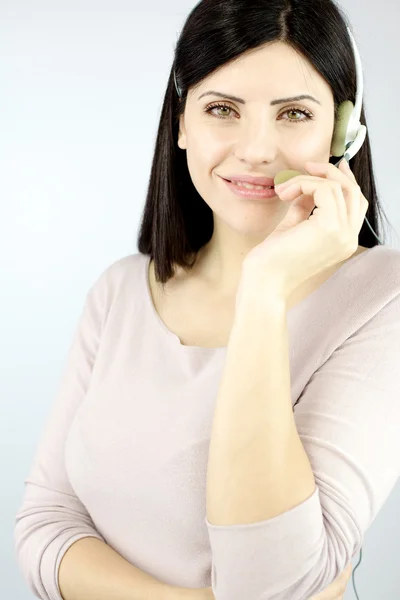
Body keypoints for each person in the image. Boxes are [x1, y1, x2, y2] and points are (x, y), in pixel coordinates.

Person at [15, 1, 400, 600]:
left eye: (294, 113)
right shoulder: (120, 290)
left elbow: (273, 583)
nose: (255, 149)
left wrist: (266, 292)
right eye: (222, 109)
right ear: (182, 122)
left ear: (344, 134)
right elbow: (44, 526)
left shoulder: (385, 298)